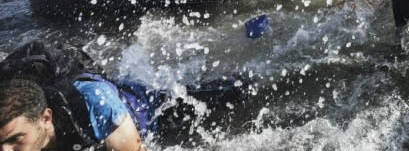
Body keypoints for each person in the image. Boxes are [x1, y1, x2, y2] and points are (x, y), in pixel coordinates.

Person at [0, 41, 258, 151]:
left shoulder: (96, 107)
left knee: (234, 95)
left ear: (46, 118)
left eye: (15, 140)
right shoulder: (20, 130)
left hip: (151, 111)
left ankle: (251, 81)